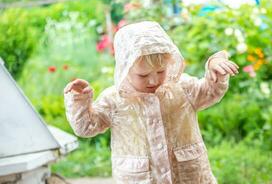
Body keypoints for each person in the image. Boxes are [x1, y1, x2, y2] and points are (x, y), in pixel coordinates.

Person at [64, 21, 239, 184]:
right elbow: (86, 128)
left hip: (189, 175)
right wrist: (80, 100)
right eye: (143, 75)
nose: (153, 80)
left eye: (160, 71)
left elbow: (210, 92)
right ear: (125, 68)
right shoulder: (115, 99)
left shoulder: (182, 88)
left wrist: (216, 71)